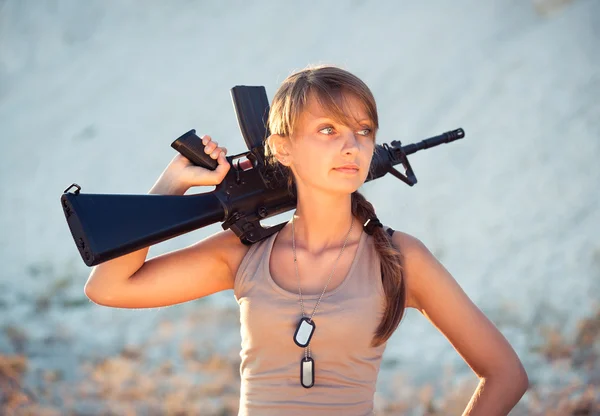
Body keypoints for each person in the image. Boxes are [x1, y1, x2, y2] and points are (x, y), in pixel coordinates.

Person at [84, 65, 529, 415]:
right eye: (328, 130)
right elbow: (109, 287)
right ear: (281, 148)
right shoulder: (244, 253)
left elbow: (505, 374)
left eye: (363, 130)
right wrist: (170, 187)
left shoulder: (399, 257)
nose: (352, 145)